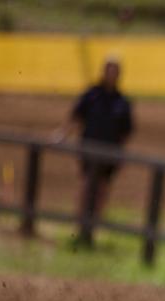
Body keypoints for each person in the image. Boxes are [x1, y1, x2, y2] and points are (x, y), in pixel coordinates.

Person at [56, 57, 134, 230]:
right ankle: (79, 223)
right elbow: (76, 116)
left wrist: (123, 154)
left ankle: (94, 224)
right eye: (109, 70)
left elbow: (126, 132)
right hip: (89, 148)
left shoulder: (123, 101)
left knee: (103, 188)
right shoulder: (92, 94)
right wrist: (63, 134)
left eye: (115, 71)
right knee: (86, 184)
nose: (112, 75)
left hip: (111, 151)